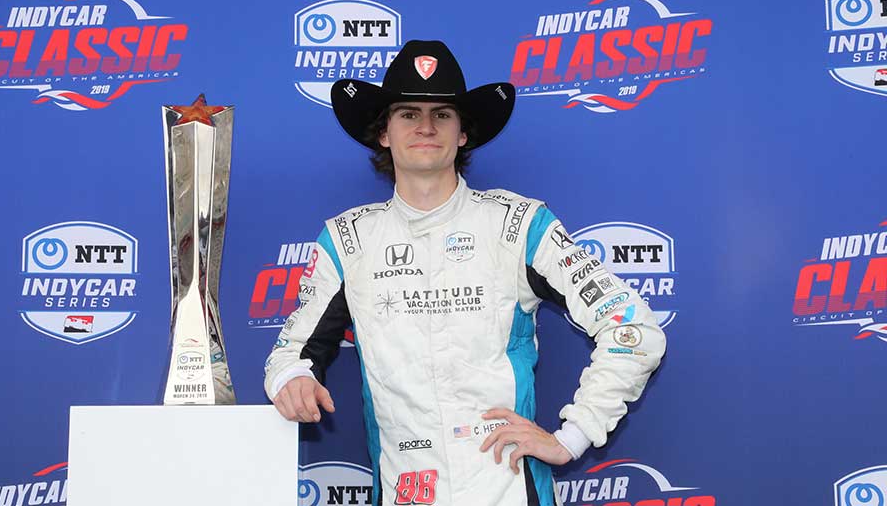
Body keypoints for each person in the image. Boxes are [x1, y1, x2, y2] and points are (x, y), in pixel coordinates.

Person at [263, 40, 666, 506]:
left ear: (462, 134)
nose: (426, 126)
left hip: (508, 490)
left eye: (443, 114)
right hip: (403, 491)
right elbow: (290, 354)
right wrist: (291, 379)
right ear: (384, 133)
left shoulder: (518, 225)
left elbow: (633, 330)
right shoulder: (348, 240)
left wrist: (574, 436)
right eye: (408, 114)